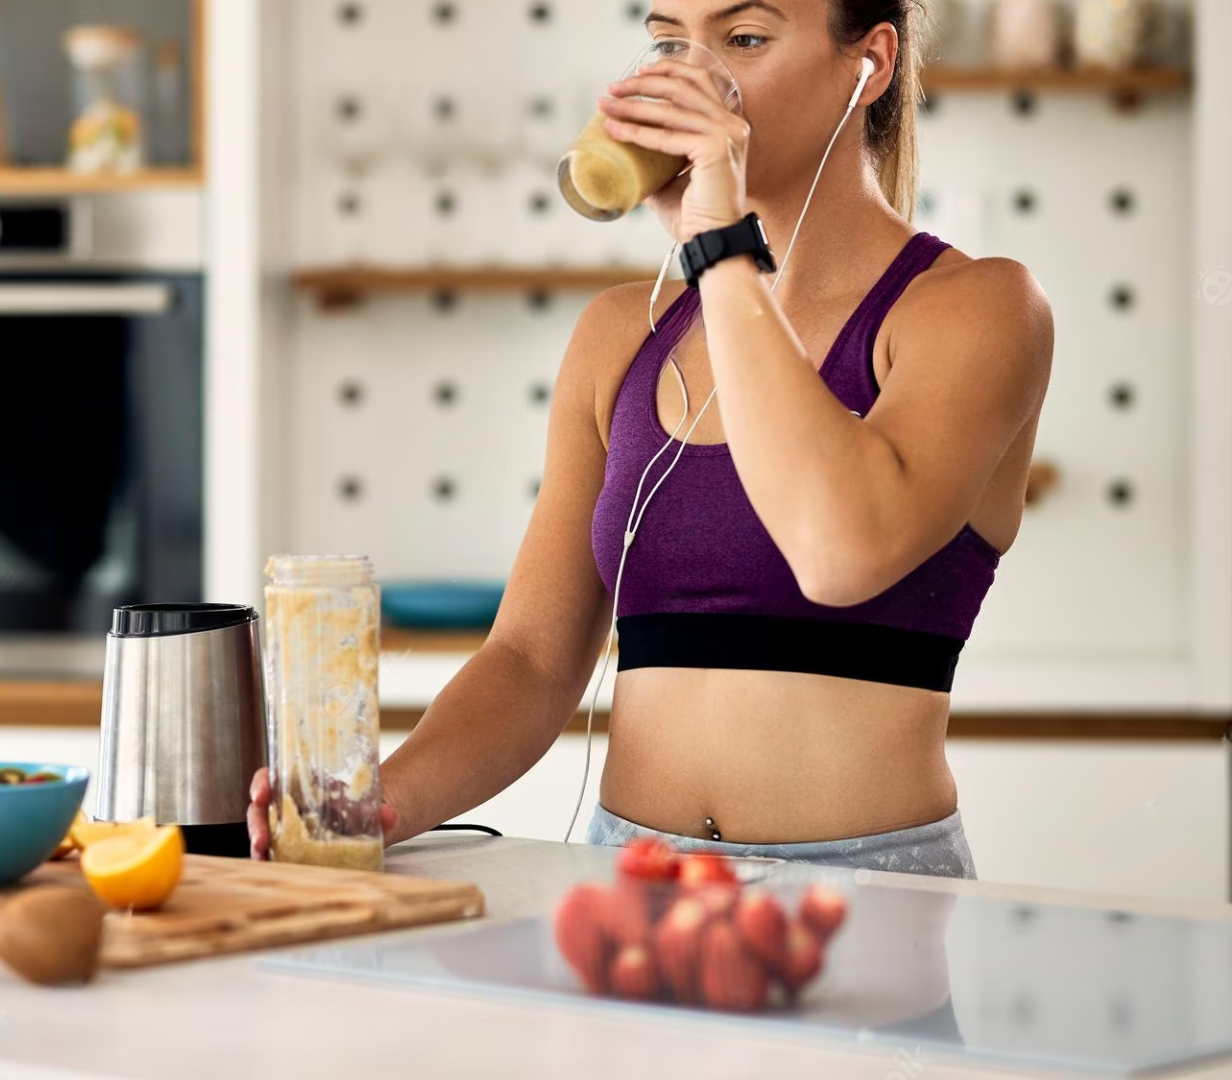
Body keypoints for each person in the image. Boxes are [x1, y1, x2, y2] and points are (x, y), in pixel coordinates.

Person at [248, 0, 1054, 878]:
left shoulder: (978, 309)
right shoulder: (619, 335)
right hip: (631, 880)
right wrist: (375, 803)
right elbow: (529, 660)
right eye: (670, 41)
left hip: (870, 893)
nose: (687, 76)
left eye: (744, 38)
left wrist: (720, 246)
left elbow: (839, 552)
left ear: (871, 63)